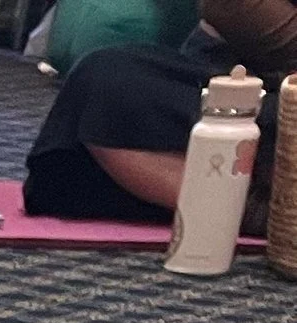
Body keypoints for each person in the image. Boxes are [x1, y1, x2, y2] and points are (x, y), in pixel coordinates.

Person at [26, 0, 292, 214]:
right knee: (104, 78)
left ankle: (258, 211)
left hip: (280, 103)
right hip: (233, 81)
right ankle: (258, 208)